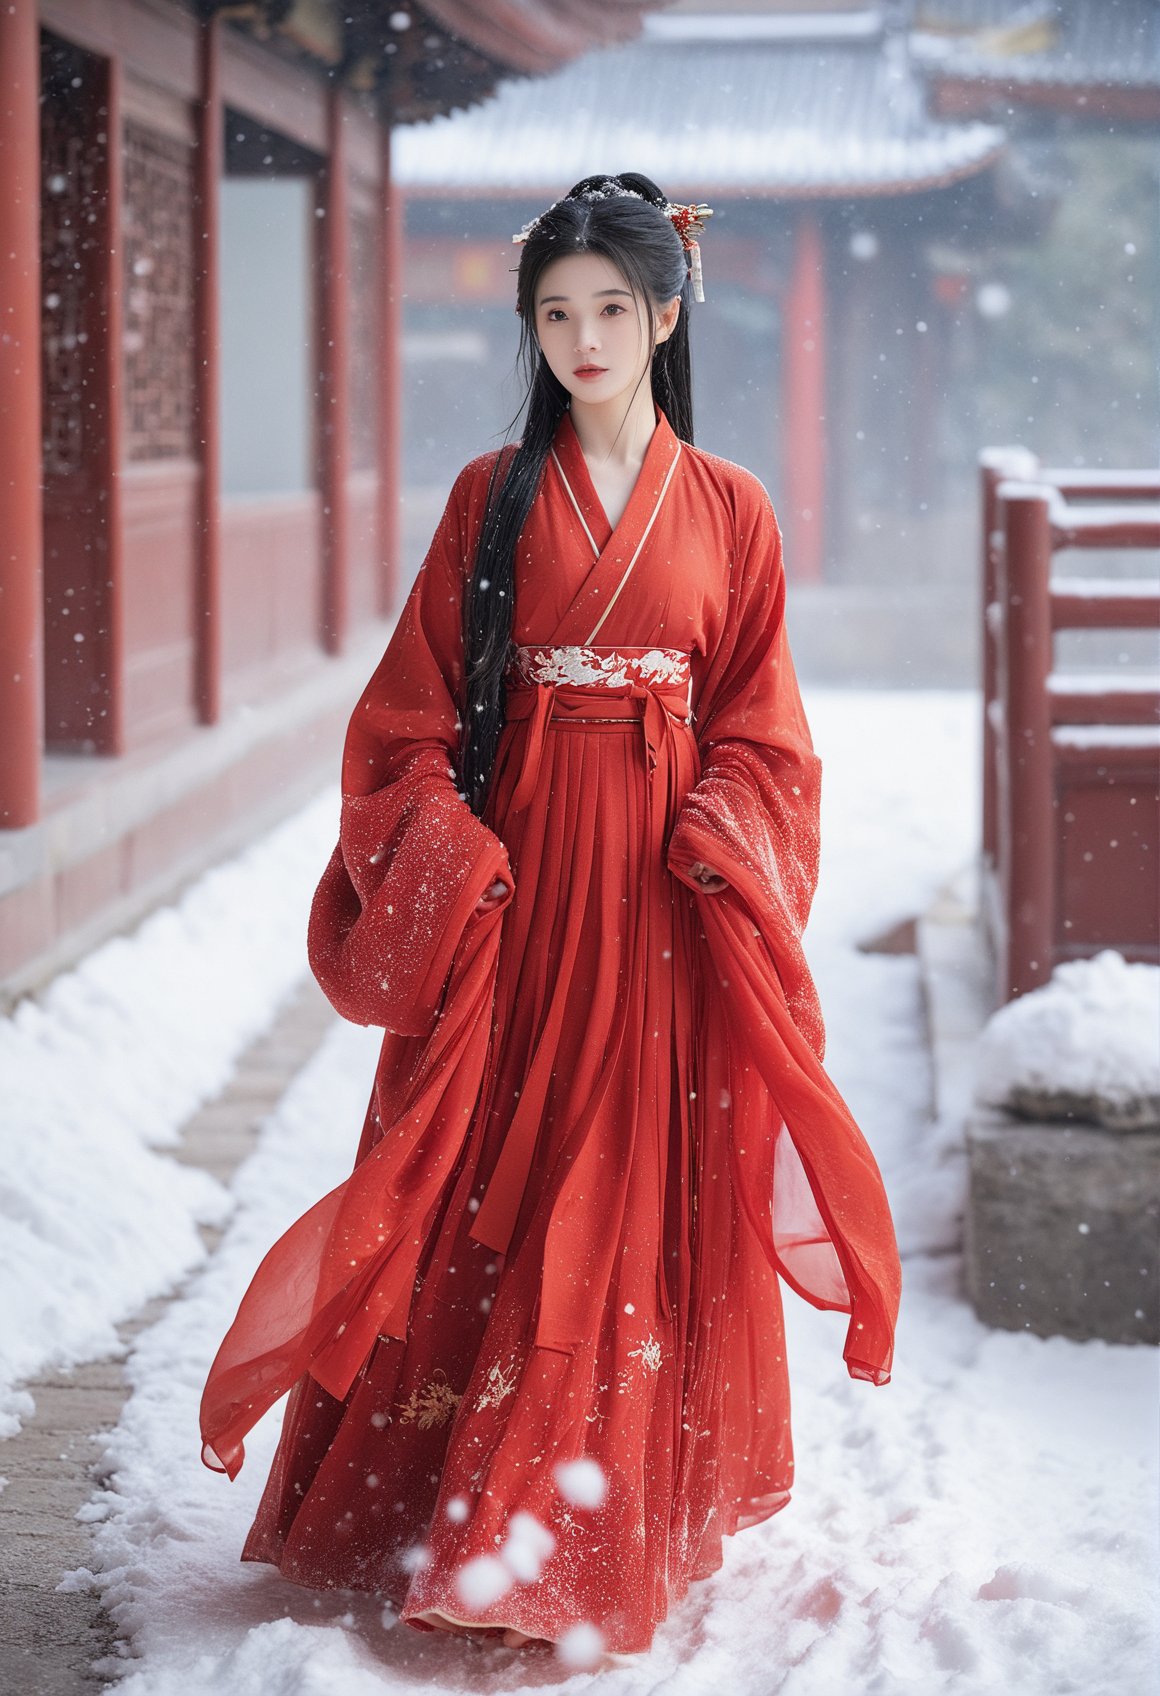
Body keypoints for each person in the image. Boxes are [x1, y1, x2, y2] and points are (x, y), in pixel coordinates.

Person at [198, 171, 902, 1659]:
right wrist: (451, 858)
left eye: (609, 311)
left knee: (624, 1181)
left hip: (659, 888)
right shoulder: (489, 499)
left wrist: (725, 832)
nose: (582, 339)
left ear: (665, 313)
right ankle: (467, 1509)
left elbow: (769, 731)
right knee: (488, 1173)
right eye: (556, 314)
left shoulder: (733, 511)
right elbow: (403, 723)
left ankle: (565, 1533)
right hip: (516, 892)